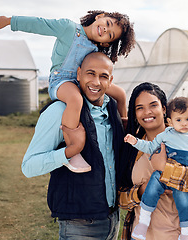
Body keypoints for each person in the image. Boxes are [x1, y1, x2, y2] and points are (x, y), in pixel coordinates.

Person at [0, 10, 135, 173]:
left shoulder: (95, 49)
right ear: (99, 17)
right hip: (61, 82)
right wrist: (11, 21)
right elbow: (40, 24)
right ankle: (73, 149)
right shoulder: (69, 29)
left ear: (107, 44)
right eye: (107, 24)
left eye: (110, 35)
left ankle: (124, 132)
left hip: (81, 82)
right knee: (76, 100)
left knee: (120, 94)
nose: (105, 30)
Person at [21, 52, 125, 240]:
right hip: (79, 225)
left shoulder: (112, 107)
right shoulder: (59, 111)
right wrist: (71, 151)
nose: (96, 82)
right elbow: (28, 167)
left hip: (112, 218)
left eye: (103, 76)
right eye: (90, 74)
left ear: (110, 80)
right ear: (78, 74)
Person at [119, 82, 188, 240]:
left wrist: (167, 170)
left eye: (153, 105)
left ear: (164, 109)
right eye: (140, 108)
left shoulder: (187, 139)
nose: (147, 112)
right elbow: (121, 198)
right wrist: (141, 191)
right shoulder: (133, 148)